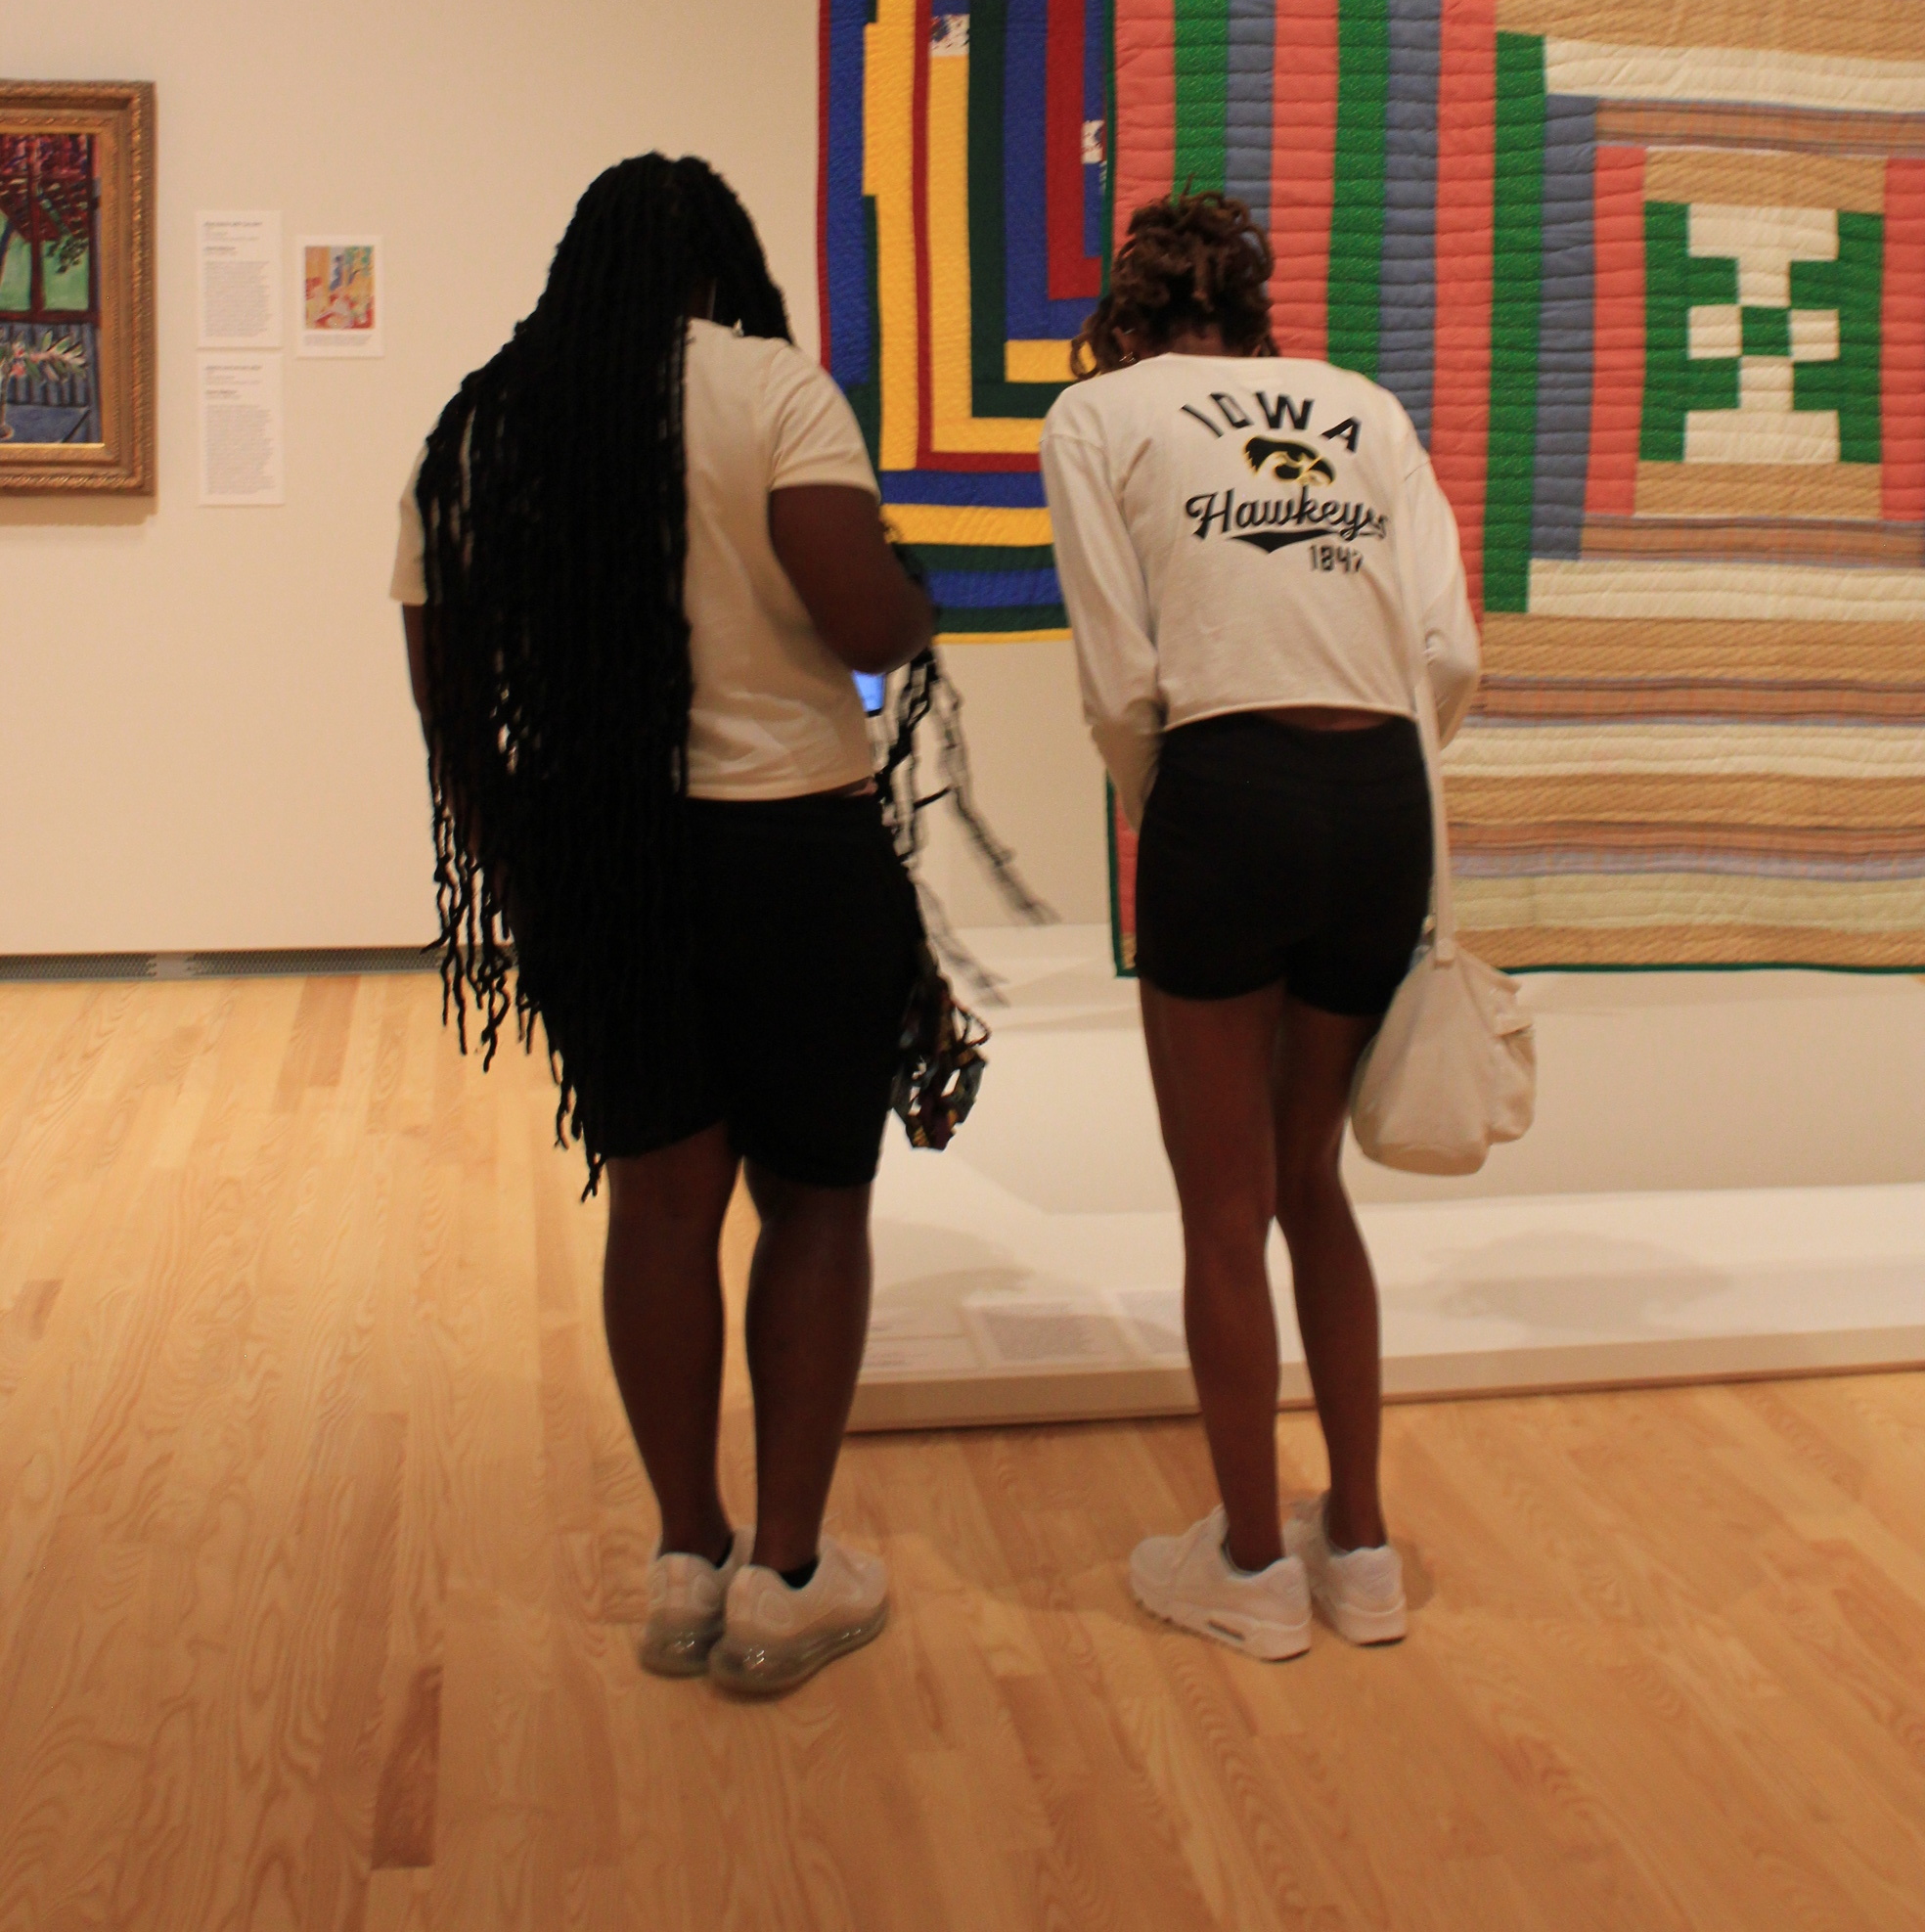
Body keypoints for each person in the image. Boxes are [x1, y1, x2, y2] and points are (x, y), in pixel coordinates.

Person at [391, 153, 932, 1694]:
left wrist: (527, 870)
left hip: (606, 867)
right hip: (793, 861)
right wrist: (916, 602)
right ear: (720, 270)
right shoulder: (773, 388)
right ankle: (790, 1574)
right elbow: (856, 609)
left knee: (659, 1200)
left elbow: (449, 704)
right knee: (816, 1202)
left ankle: (687, 1558)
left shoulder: (483, 420)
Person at [1040, 191, 1477, 1660]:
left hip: (1227, 789)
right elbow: (1444, 652)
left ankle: (1246, 1568)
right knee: (1311, 1184)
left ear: (1132, 308)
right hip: (1379, 797)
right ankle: (1359, 1547)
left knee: (1220, 1212)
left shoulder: (1098, 418)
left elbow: (1119, 677)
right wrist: (1376, 788)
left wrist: (1175, 808)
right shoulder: (1364, 406)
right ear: (1253, 302)